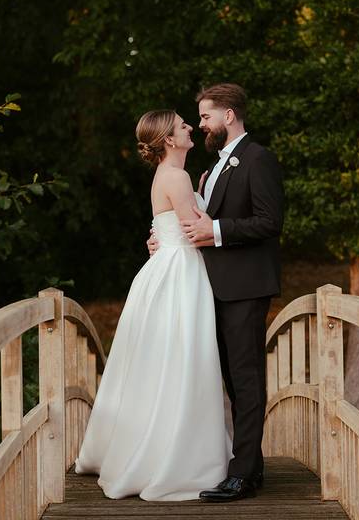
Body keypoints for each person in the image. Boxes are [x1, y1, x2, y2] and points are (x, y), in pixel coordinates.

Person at [73, 109, 231, 501]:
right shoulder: (176, 177)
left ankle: (153, 444)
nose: (190, 127)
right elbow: (198, 228)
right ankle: (173, 457)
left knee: (163, 362)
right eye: (182, 125)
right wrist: (210, 201)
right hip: (180, 274)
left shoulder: (172, 176)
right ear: (170, 140)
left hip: (167, 268)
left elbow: (170, 225)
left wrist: (202, 190)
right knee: (182, 360)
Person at [149, 83, 284, 503]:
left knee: (245, 380)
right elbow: (186, 221)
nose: (201, 123)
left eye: (206, 116)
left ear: (229, 115)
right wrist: (162, 239)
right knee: (231, 378)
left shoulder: (257, 159)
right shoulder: (213, 167)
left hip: (245, 286)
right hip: (214, 287)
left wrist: (217, 230)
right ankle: (251, 465)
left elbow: (269, 221)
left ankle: (241, 474)